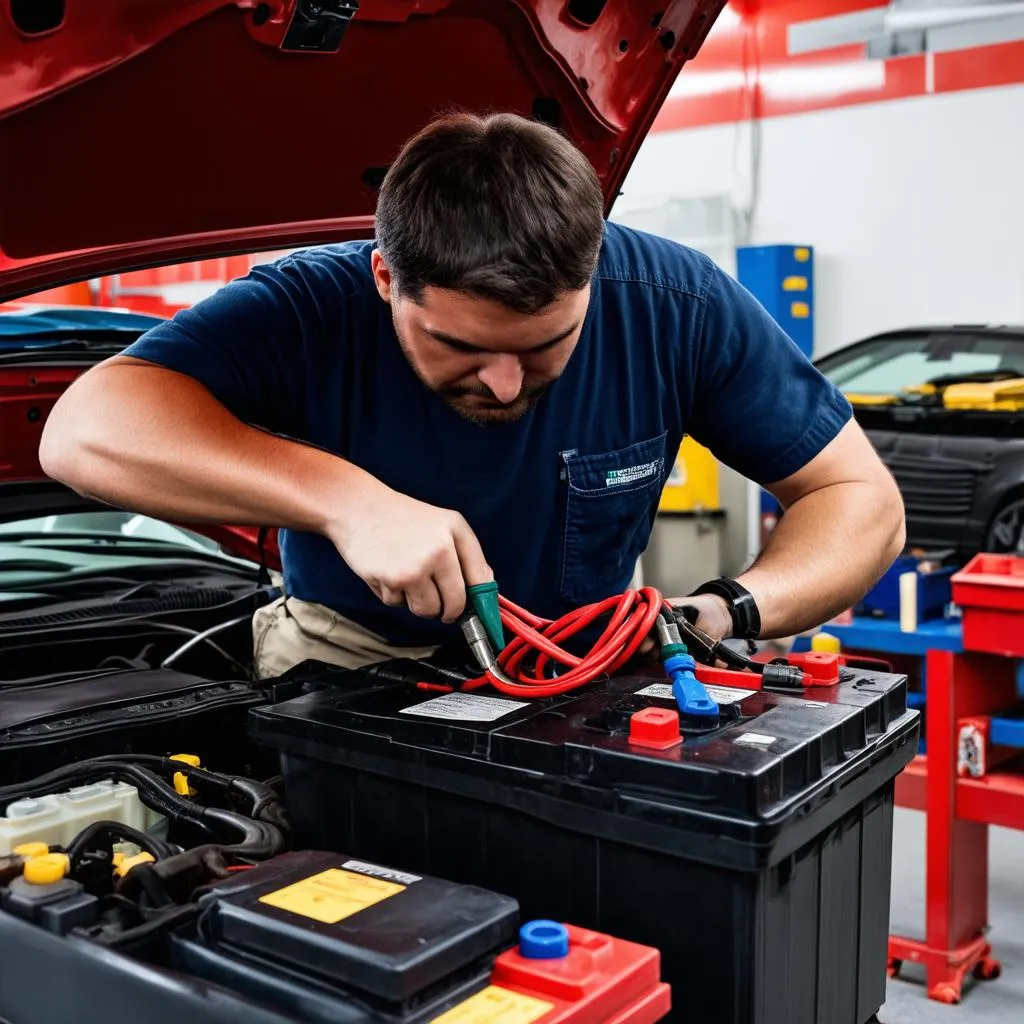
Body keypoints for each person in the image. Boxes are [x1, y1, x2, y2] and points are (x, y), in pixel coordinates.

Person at [40, 112, 905, 678]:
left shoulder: (677, 304)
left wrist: (729, 609)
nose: (503, 382)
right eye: (460, 345)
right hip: (345, 663)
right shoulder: (311, 306)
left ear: (595, 276)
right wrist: (346, 501)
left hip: (589, 665)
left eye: (545, 346)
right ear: (386, 279)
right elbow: (84, 429)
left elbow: (859, 498)